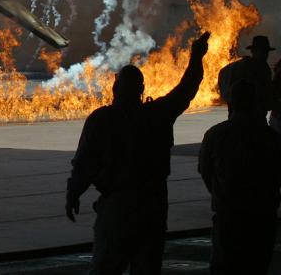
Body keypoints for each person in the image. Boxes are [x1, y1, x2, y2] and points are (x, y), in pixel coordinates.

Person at [65, 31, 210, 274]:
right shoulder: (157, 114)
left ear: (115, 86)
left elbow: (84, 164)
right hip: (152, 206)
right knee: (147, 267)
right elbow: (187, 88)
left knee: (106, 266)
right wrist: (196, 57)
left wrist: (73, 193)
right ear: (141, 89)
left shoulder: (101, 119)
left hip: (118, 206)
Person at [199, 80, 281, 274]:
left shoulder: (215, 135)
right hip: (261, 220)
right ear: (255, 103)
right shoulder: (271, 138)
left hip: (228, 219)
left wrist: (220, 195)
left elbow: (205, 170)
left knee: (224, 267)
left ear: (231, 104)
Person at [217, 35, 274, 115]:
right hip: (253, 117)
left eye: (265, 51)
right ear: (253, 51)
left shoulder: (236, 66)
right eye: (261, 50)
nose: (264, 54)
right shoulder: (261, 69)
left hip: (236, 116)